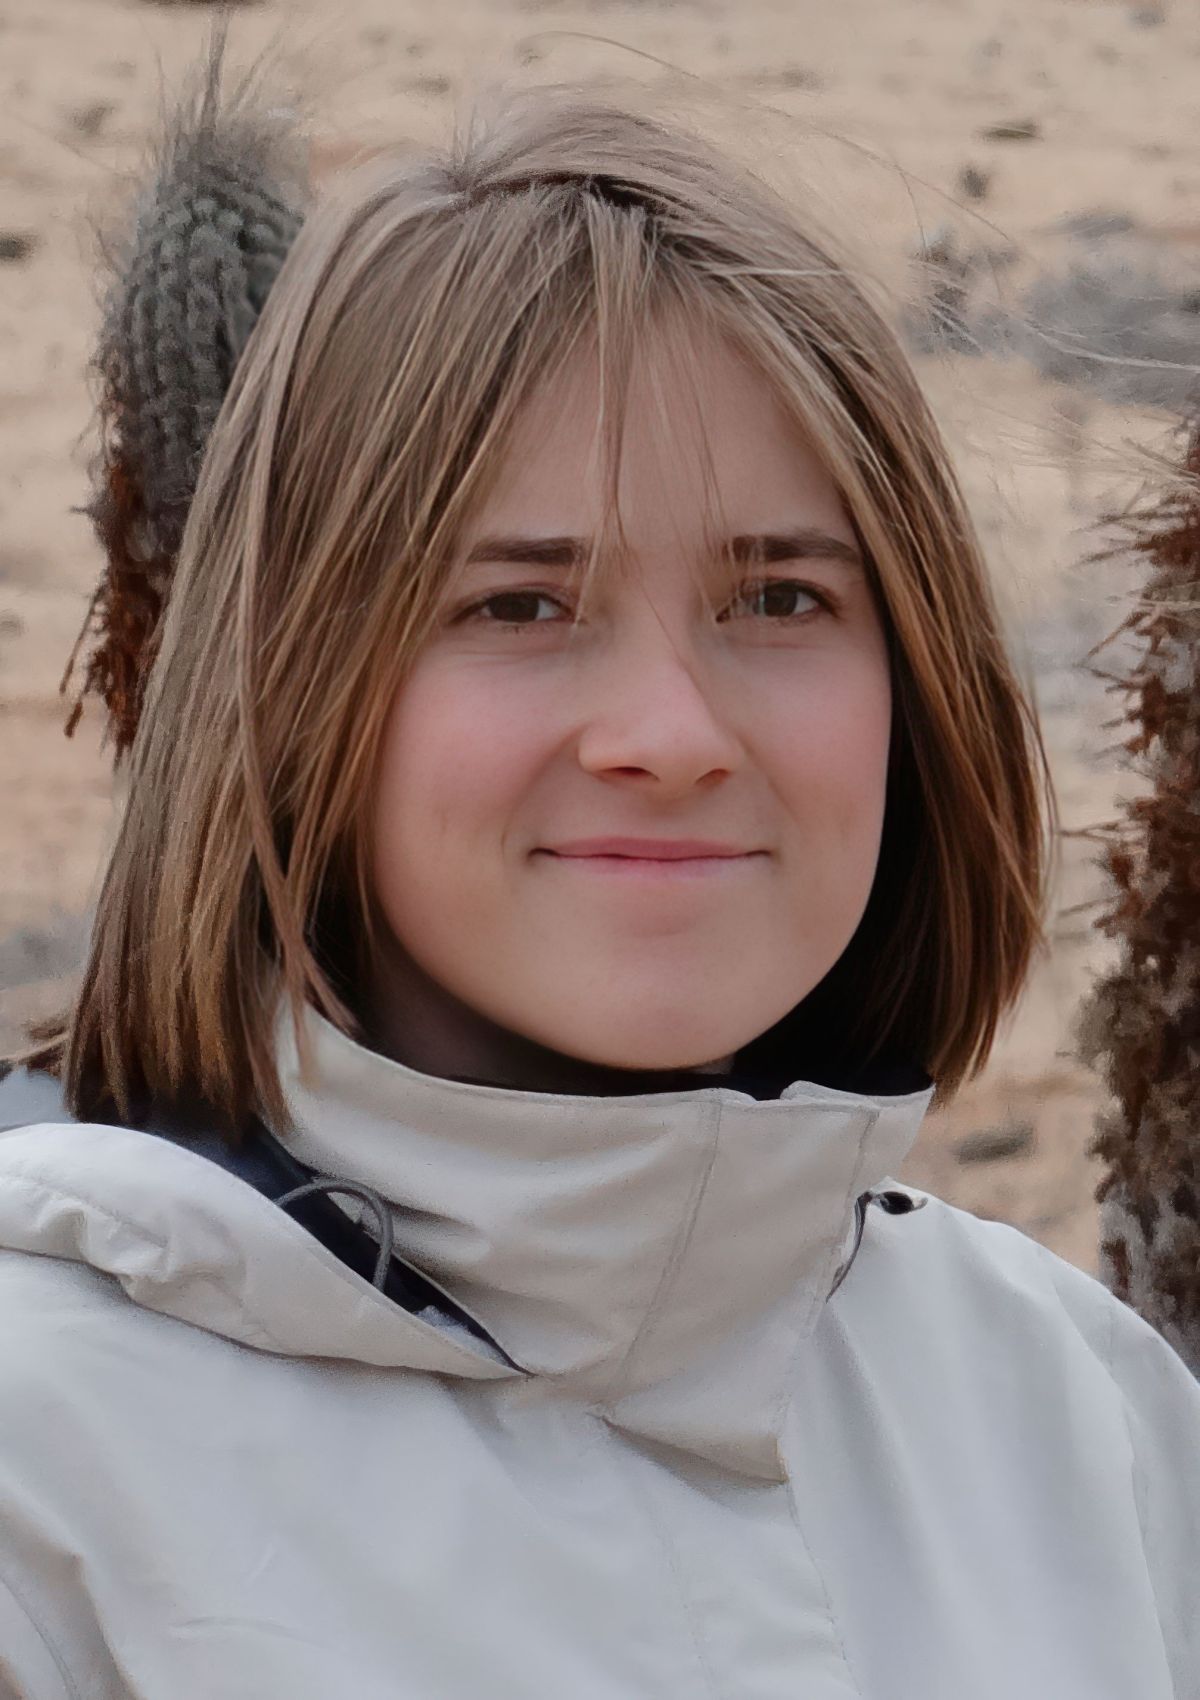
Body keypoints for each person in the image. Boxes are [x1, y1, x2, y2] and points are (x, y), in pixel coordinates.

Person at [0, 43, 1197, 1700]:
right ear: (289, 687)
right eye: (520, 604)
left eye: (777, 598)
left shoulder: (1080, 1419)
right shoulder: (47, 1483)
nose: (672, 734)